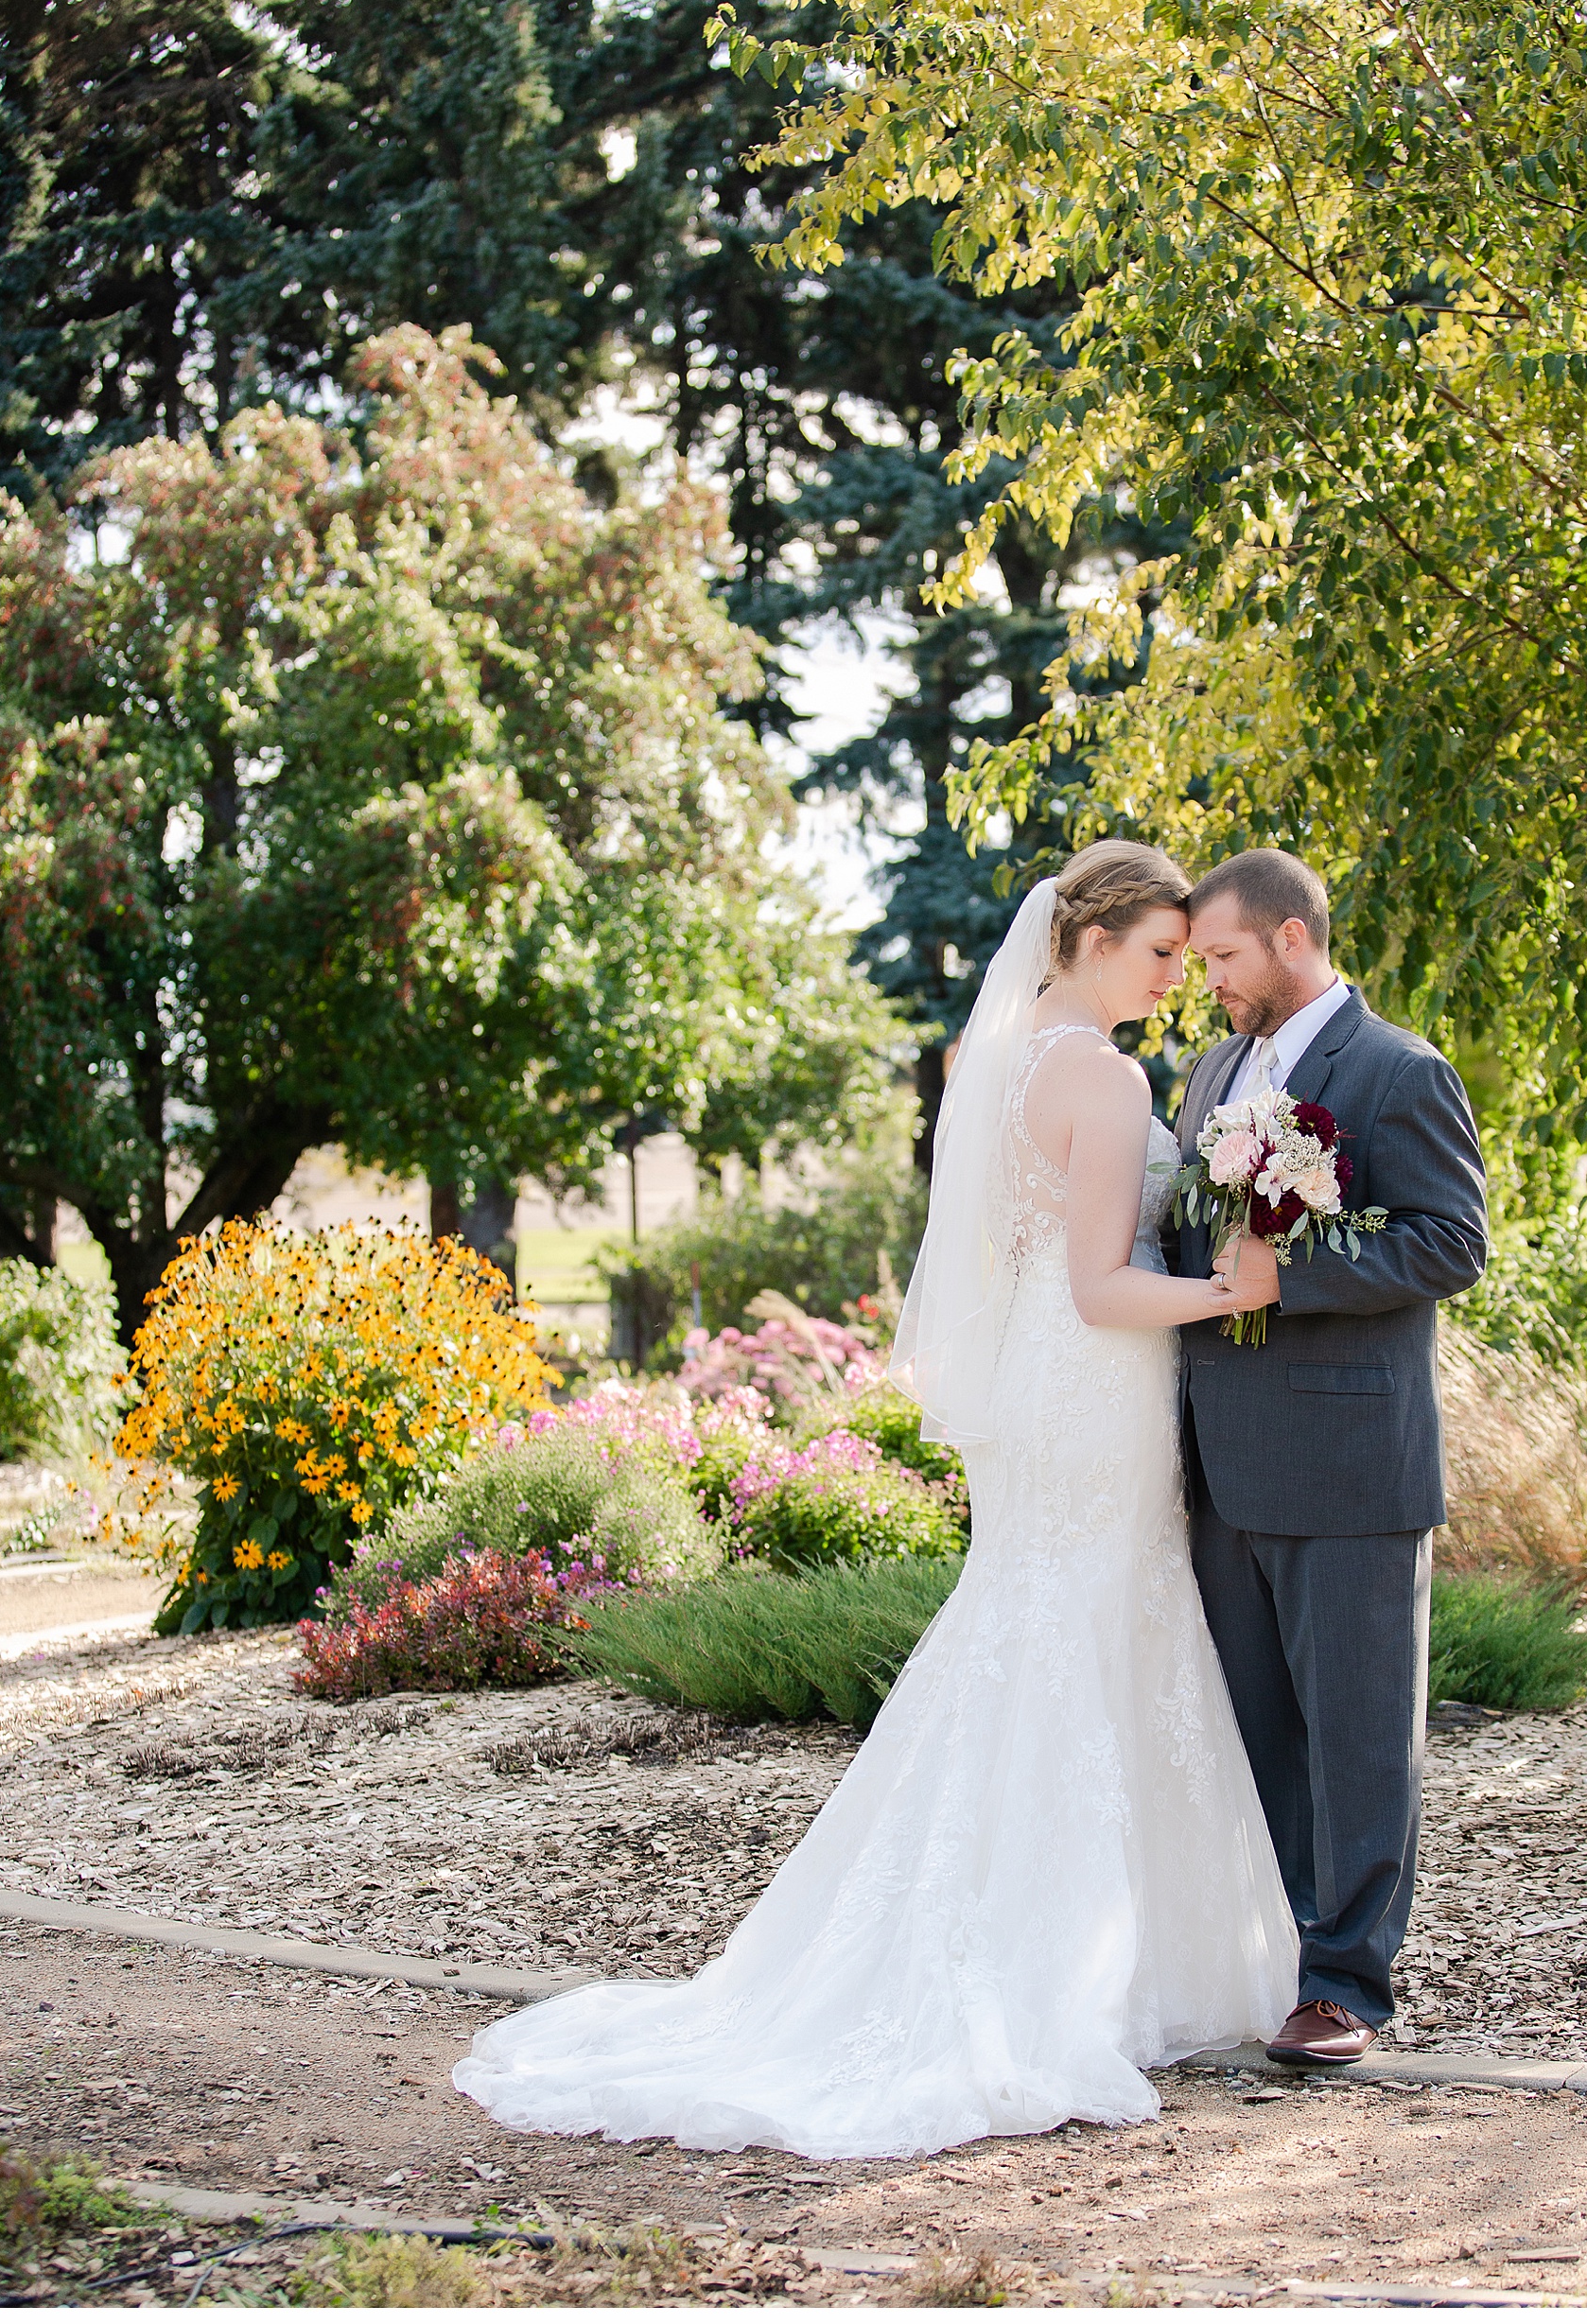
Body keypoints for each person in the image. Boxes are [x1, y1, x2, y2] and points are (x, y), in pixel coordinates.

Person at [452, 842, 1298, 2161]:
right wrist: (1228, 1291)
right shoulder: (1105, 1073)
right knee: (1084, 1625)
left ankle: (1069, 1946)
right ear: (1091, 936)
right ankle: (1080, 1971)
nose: (1175, 975)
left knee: (1037, 1625)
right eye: (1160, 951)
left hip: (1041, 1389)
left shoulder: (1008, 1064)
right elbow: (1101, 1283)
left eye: (1187, 956)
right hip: (1093, 1379)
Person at [1177, 850, 1488, 2067]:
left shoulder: (1399, 1070)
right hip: (1220, 1462)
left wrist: (1289, 1276)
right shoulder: (1212, 1071)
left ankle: (1349, 1983)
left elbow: (1452, 1241)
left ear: (1293, 938)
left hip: (1353, 1457)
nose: (1209, 981)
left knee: (1360, 1737)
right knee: (1255, 1734)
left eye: (1223, 956)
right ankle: (1268, 1956)